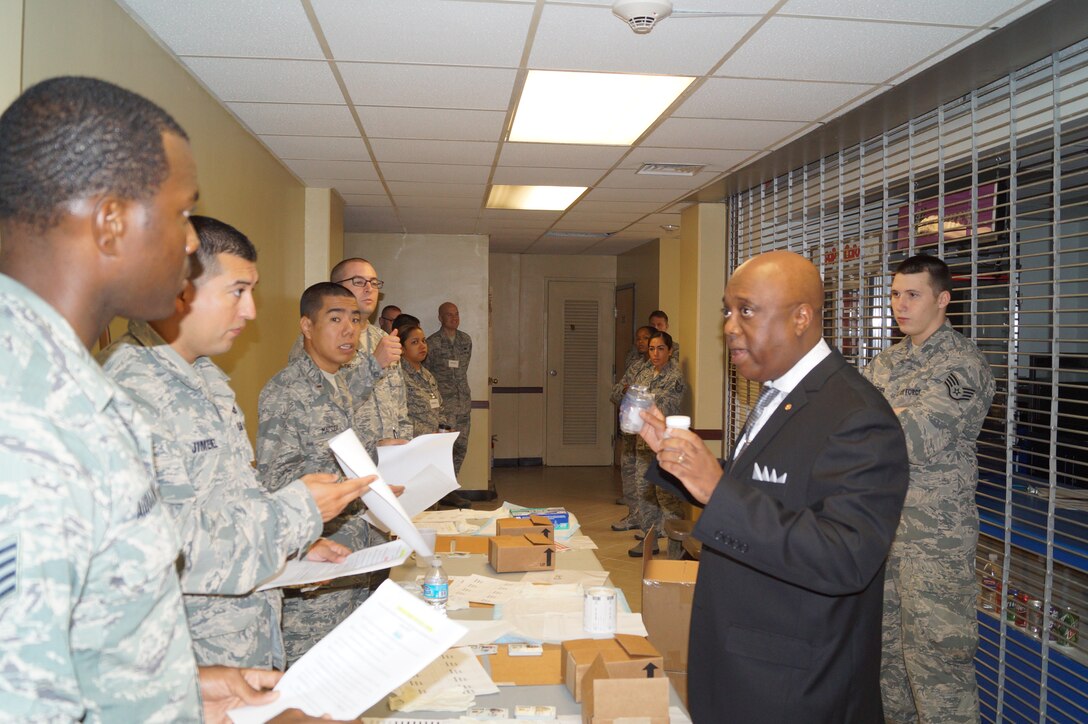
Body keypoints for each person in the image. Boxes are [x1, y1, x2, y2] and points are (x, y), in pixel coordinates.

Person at [0, 75, 335, 723]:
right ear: (111, 221)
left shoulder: (72, 392)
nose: (190, 244)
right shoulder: (27, 418)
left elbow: (87, 646)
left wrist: (184, 689)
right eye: (182, 213)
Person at [638, 250, 909, 722]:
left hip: (795, 686)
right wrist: (680, 464)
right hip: (742, 663)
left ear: (801, 317)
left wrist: (718, 491)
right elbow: (765, 492)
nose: (728, 326)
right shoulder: (780, 394)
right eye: (727, 310)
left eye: (745, 310)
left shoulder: (857, 416)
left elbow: (845, 557)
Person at [99, 215, 372, 670]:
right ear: (180, 288)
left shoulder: (204, 378)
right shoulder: (129, 391)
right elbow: (162, 548)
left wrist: (295, 547)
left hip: (245, 643)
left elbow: (228, 502)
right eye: (237, 291)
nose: (250, 311)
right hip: (188, 659)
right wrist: (299, 513)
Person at [862, 254, 995, 724]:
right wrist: (882, 425)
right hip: (883, 534)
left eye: (912, 294)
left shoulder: (963, 366)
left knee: (940, 672)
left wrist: (881, 425)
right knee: (887, 664)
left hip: (934, 543)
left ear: (942, 300)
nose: (900, 304)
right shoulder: (887, 361)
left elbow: (909, 440)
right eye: (895, 294)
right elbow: (854, 430)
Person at [258, 282, 393, 666]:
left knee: (355, 671)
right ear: (306, 325)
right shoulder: (286, 392)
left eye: (355, 319)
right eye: (335, 319)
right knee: (314, 678)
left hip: (358, 554)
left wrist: (376, 486)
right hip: (317, 569)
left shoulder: (343, 384)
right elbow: (276, 484)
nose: (349, 329)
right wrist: (353, 489)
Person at [625, 330, 685, 557]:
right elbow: (632, 401)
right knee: (645, 494)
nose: (655, 353)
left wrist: (641, 400)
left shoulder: (674, 377)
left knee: (666, 497)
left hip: (665, 445)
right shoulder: (645, 373)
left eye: (660, 349)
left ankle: (676, 546)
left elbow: (664, 408)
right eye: (651, 349)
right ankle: (649, 540)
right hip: (643, 445)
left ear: (670, 351)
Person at [425, 302, 473, 477]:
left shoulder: (465, 340)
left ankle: (452, 487)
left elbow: (463, 368)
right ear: (440, 318)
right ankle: (441, 488)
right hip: (444, 407)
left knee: (461, 447)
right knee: (444, 450)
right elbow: (426, 374)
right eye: (449, 315)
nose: (454, 318)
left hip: (464, 405)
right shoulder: (432, 343)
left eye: (457, 314)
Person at [612, 325, 655, 514]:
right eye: (638, 338)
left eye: (645, 338)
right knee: (628, 472)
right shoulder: (635, 366)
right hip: (630, 431)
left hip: (647, 432)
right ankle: (632, 515)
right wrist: (625, 390)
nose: (640, 342)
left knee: (644, 477)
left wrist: (634, 393)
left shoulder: (658, 368)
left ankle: (646, 520)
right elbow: (615, 392)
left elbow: (655, 400)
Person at [394, 316, 446, 437]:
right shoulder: (397, 376)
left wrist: (443, 430)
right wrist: (429, 433)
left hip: (434, 441)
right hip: (412, 442)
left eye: (423, 341)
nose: (422, 346)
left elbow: (440, 407)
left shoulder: (428, 375)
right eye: (415, 342)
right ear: (402, 348)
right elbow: (396, 416)